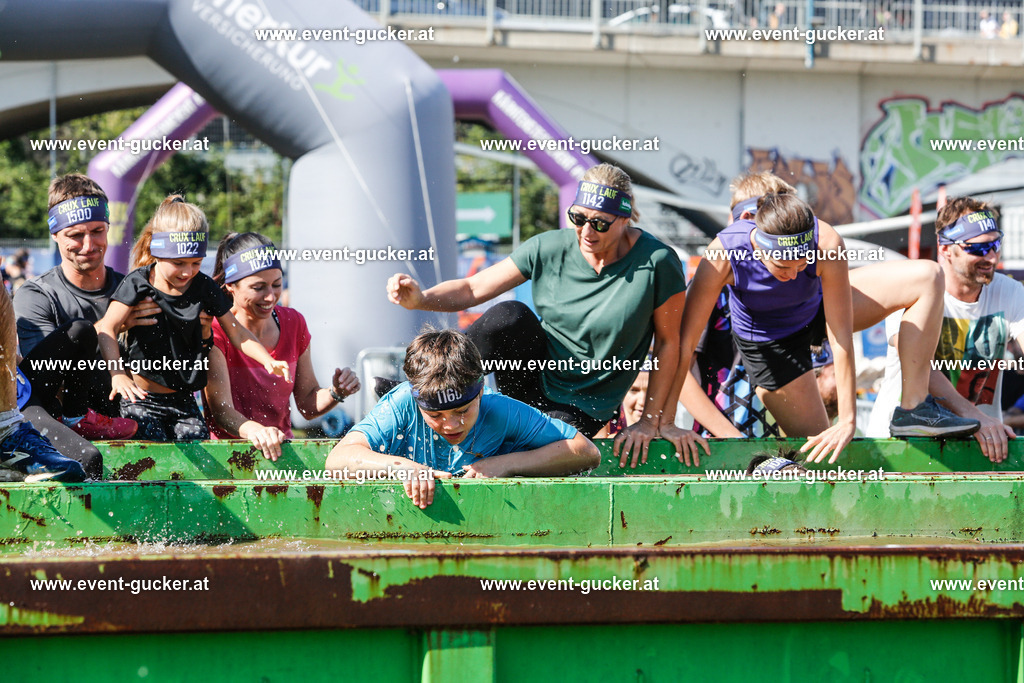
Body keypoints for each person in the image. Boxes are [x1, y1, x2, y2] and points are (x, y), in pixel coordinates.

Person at [388, 163, 706, 468]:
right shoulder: (549, 247)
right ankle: (413, 396)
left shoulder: (657, 261)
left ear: (625, 219)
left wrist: (651, 421)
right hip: (533, 374)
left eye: (600, 223)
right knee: (508, 315)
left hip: (583, 403)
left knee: (545, 452)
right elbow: (473, 288)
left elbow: (669, 343)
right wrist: (421, 298)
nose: (586, 231)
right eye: (578, 218)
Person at [677, 192, 979, 464]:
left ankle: (914, 408)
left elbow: (841, 338)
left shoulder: (826, 243)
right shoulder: (725, 255)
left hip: (814, 305)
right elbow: (680, 347)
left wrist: (848, 420)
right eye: (783, 267)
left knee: (927, 275)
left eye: (801, 262)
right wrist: (662, 421)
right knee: (827, 463)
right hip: (773, 341)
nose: (794, 274)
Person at [326, 328, 600, 509]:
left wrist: (506, 464)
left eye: (462, 411)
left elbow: (587, 452)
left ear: (480, 391)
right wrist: (404, 467)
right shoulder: (402, 404)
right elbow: (336, 461)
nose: (451, 425)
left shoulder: (499, 409)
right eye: (435, 415)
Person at [95, 196, 290, 441]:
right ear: (157, 252)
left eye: (196, 263)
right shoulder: (138, 283)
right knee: (147, 460)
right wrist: (118, 374)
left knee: (198, 453)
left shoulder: (204, 287)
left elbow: (237, 332)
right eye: (179, 263)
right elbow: (107, 328)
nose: (188, 272)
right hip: (141, 400)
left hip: (183, 402)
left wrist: (266, 360)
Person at [867, 198, 1024, 463]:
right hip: (904, 446)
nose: (991, 257)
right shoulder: (915, 287)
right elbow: (917, 365)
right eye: (978, 248)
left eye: (996, 244)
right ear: (946, 249)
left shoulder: (1009, 291)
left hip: (979, 446)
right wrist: (975, 417)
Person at [15, 173, 151, 440]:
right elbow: (48, 384)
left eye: (97, 231)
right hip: (64, 428)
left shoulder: (131, 291)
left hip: (127, 423)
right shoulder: (36, 295)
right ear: (55, 234)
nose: (88, 245)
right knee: (80, 330)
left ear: (108, 228)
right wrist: (112, 326)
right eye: (75, 235)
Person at [202, 232, 361, 460]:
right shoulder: (215, 330)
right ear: (231, 286)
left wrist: (336, 392)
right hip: (225, 458)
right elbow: (222, 411)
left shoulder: (293, 323)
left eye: (277, 285)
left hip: (281, 455)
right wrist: (257, 431)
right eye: (258, 288)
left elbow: (307, 405)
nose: (270, 297)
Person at [0, 284, 86, 482]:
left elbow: (12, 359)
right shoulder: (36, 292)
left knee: (81, 329)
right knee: (86, 456)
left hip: (20, 398)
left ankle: (6, 431)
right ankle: (5, 433)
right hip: (20, 409)